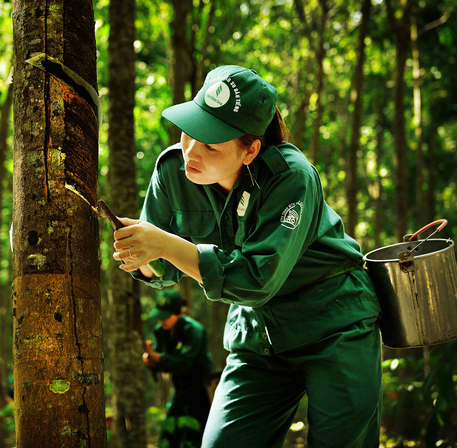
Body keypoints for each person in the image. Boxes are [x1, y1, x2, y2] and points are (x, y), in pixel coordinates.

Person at [112, 65, 382, 447]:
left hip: (333, 323)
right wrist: (144, 259)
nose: (191, 150)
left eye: (211, 145)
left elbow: (255, 279)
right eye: (189, 132)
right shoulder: (173, 170)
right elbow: (161, 267)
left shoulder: (290, 176)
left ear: (251, 149)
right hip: (259, 336)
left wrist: (168, 246)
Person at [143, 288, 213, 448]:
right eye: (160, 317)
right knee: (167, 441)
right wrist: (151, 361)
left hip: (199, 393)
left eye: (166, 317)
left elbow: (183, 364)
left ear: (179, 312)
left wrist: (156, 356)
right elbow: (163, 363)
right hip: (178, 393)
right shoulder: (160, 332)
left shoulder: (194, 331)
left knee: (194, 440)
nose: (162, 321)